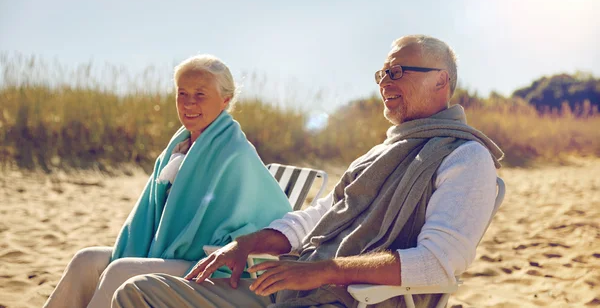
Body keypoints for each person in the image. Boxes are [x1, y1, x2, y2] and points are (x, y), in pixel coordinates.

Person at [112, 35, 504, 308]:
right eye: (382, 73)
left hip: (349, 299)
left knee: (137, 292)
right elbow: (320, 216)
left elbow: (436, 264)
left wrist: (322, 273)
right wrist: (247, 244)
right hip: (292, 289)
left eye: (398, 71)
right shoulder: (383, 152)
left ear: (441, 81)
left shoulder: (464, 158)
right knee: (136, 290)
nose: (385, 81)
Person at [43, 55, 292, 308]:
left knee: (120, 271)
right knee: (85, 260)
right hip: (165, 251)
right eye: (182, 93)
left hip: (207, 264)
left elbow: (253, 220)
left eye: (200, 94)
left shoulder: (235, 152)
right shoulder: (180, 146)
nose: (188, 103)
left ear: (225, 100)